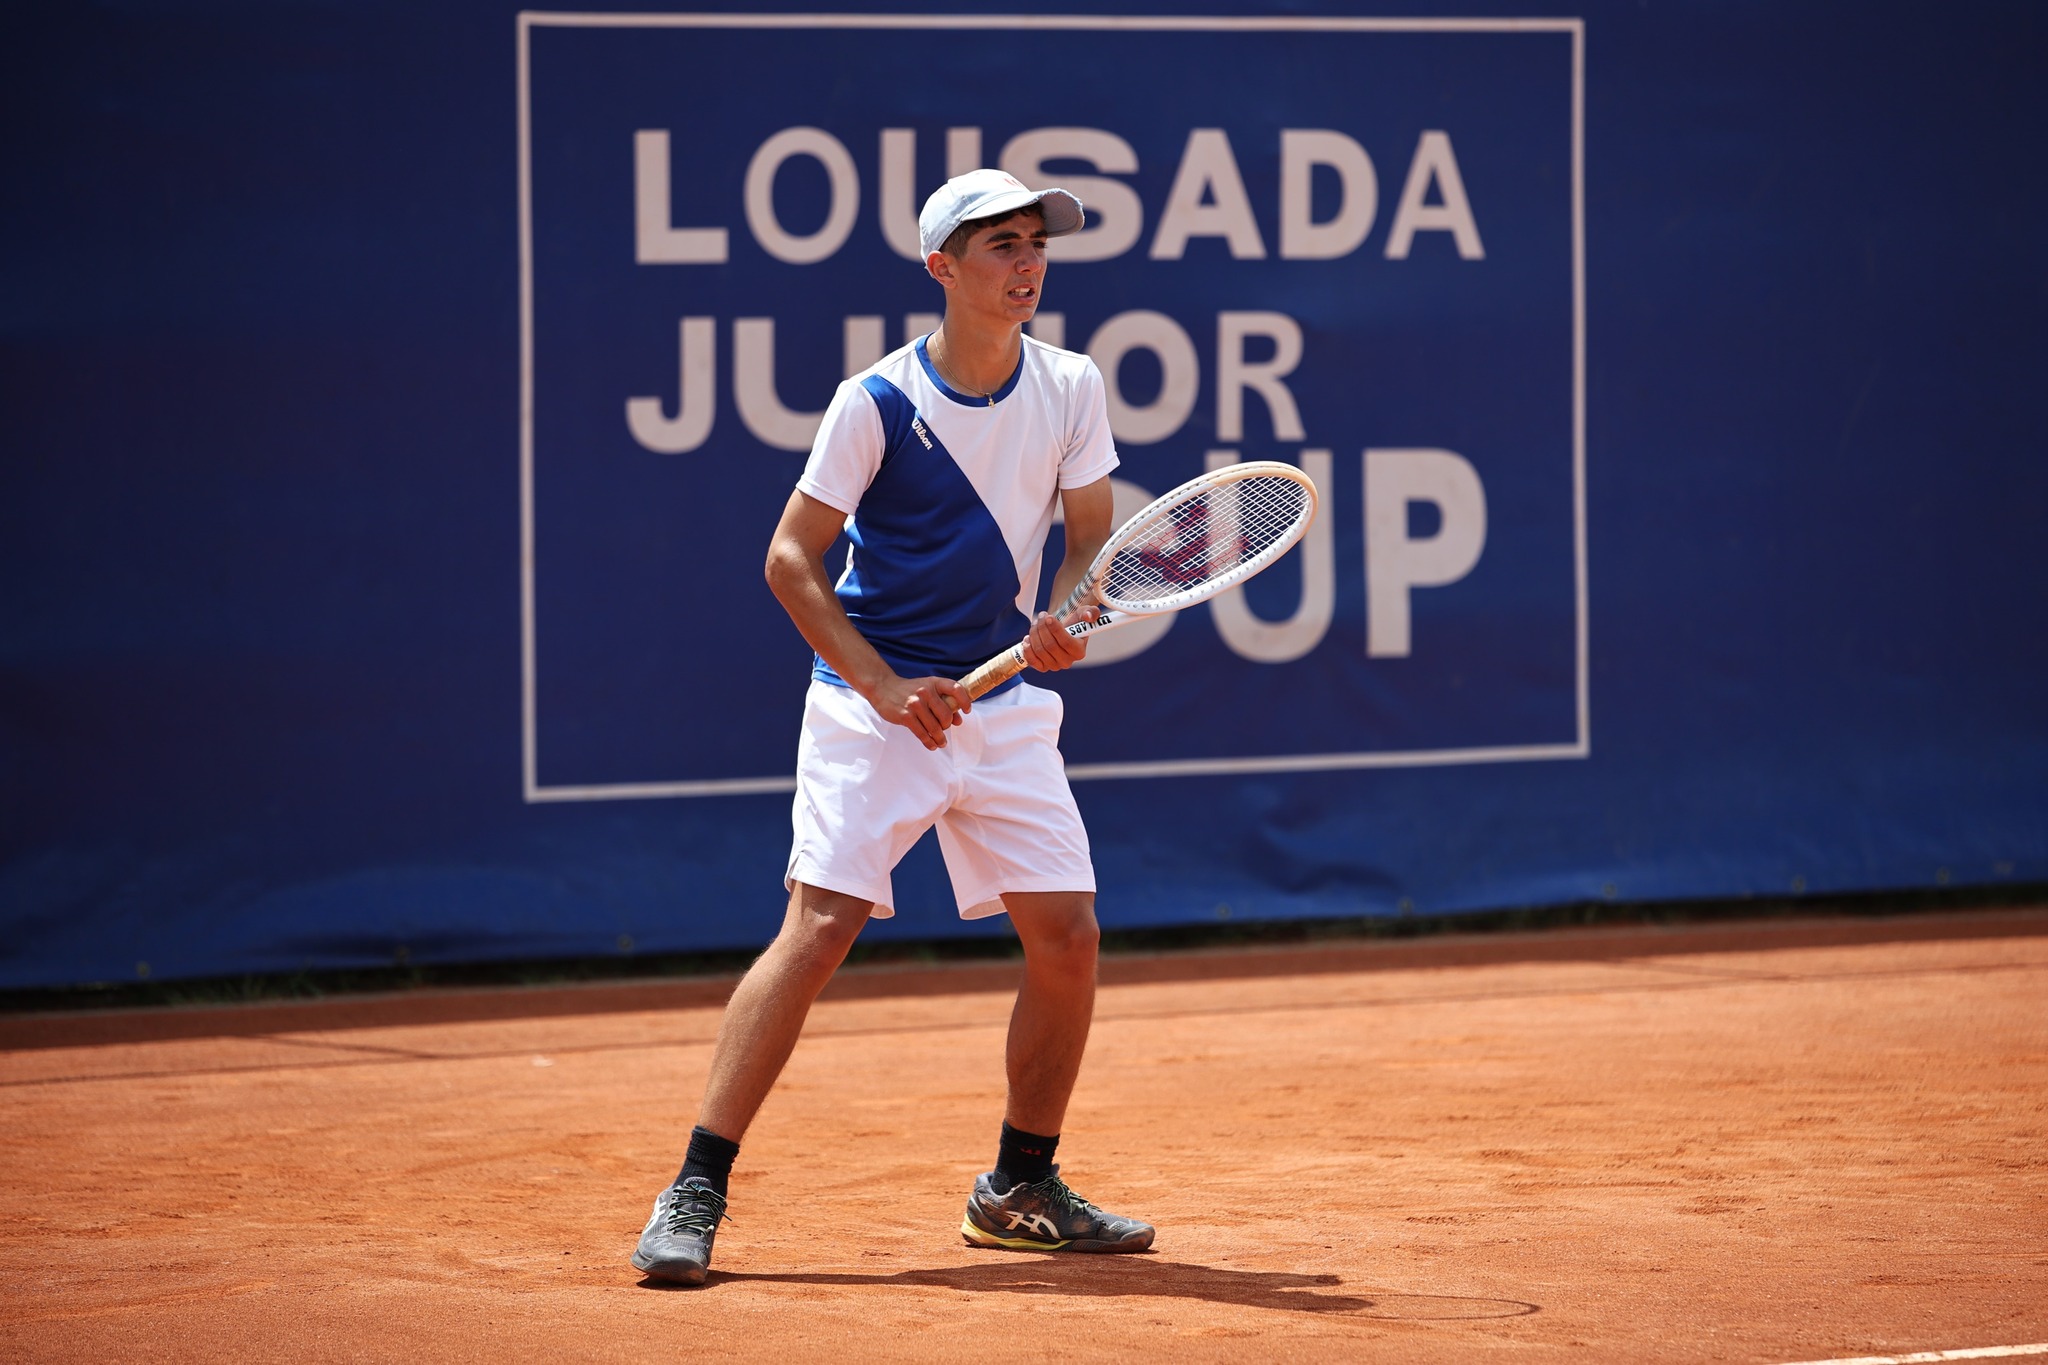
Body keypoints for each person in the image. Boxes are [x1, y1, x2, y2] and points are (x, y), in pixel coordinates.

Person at [630, 169, 1155, 1285]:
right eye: (1001, 246)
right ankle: (696, 1186)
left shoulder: (1069, 384)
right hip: (873, 712)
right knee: (818, 931)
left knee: (1065, 940)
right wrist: (879, 688)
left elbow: (1088, 550)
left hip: (1002, 710)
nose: (1027, 264)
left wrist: (1067, 615)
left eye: (1035, 245)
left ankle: (1019, 1186)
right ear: (944, 270)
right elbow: (788, 559)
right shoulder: (873, 402)